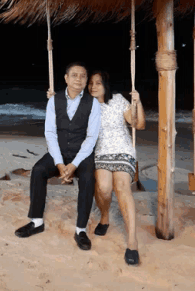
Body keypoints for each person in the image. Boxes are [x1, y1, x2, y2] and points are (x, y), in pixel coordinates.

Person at [15, 62, 101, 251]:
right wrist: (60, 163)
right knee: (38, 170)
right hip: (59, 151)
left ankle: (81, 230)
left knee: (87, 178)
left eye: (83, 75)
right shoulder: (53, 101)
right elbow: (50, 133)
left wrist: (75, 164)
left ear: (86, 80)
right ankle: (36, 222)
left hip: (82, 153)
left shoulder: (92, 103)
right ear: (66, 78)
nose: (79, 79)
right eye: (75, 75)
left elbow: (91, 137)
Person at [88, 71, 145, 265]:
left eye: (98, 83)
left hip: (123, 150)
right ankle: (104, 217)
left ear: (106, 85)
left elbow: (139, 124)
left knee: (121, 186)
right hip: (102, 152)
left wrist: (137, 103)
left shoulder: (119, 100)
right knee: (103, 187)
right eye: (91, 83)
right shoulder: (88, 106)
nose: (93, 86)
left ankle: (132, 241)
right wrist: (54, 101)